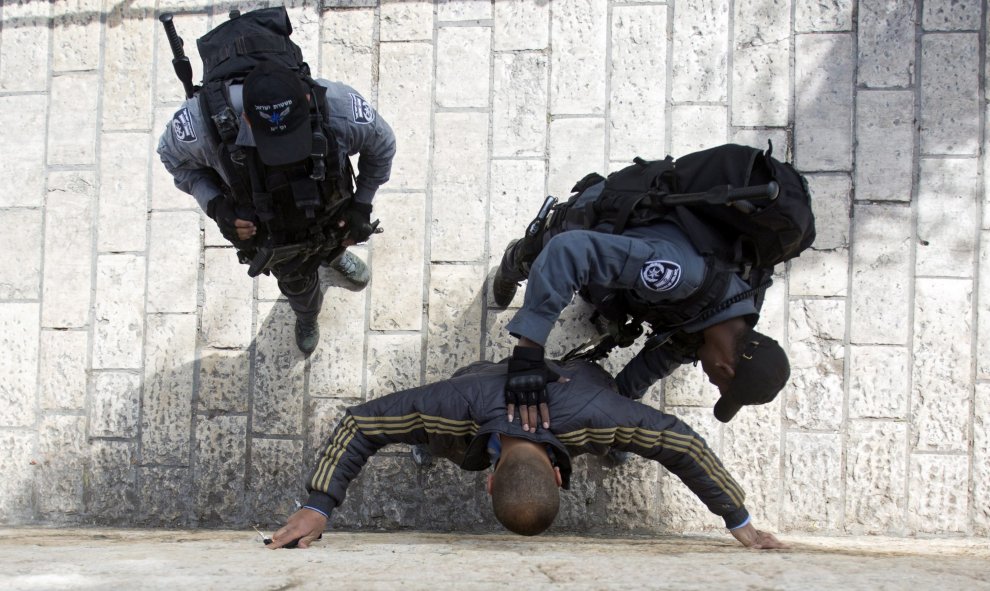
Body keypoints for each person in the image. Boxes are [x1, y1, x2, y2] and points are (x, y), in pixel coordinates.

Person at [268, 359, 783, 550]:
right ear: (560, 477)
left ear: (489, 481)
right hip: (529, 389)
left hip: (571, 387)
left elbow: (361, 424)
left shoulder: (601, 415)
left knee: (629, 426)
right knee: (630, 427)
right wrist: (739, 521)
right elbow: (683, 444)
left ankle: (422, 438)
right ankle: (425, 441)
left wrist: (321, 503)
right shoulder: (601, 415)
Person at [491, 144, 800, 431]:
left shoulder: (727, 322)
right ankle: (513, 261)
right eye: (719, 386)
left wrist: (617, 410)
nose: (712, 382)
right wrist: (528, 355)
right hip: (601, 220)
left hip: (639, 263)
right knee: (541, 254)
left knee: (601, 294)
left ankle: (596, 287)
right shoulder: (680, 276)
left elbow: (663, 357)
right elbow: (568, 252)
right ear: (725, 369)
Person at [158, 55, 395, 355]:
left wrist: (362, 204)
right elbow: (173, 160)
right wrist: (217, 206)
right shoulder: (203, 125)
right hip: (275, 233)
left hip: (330, 215)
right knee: (298, 286)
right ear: (246, 119)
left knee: (338, 234)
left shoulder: (337, 104)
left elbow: (383, 144)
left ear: (307, 98)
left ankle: (333, 256)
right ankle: (307, 315)